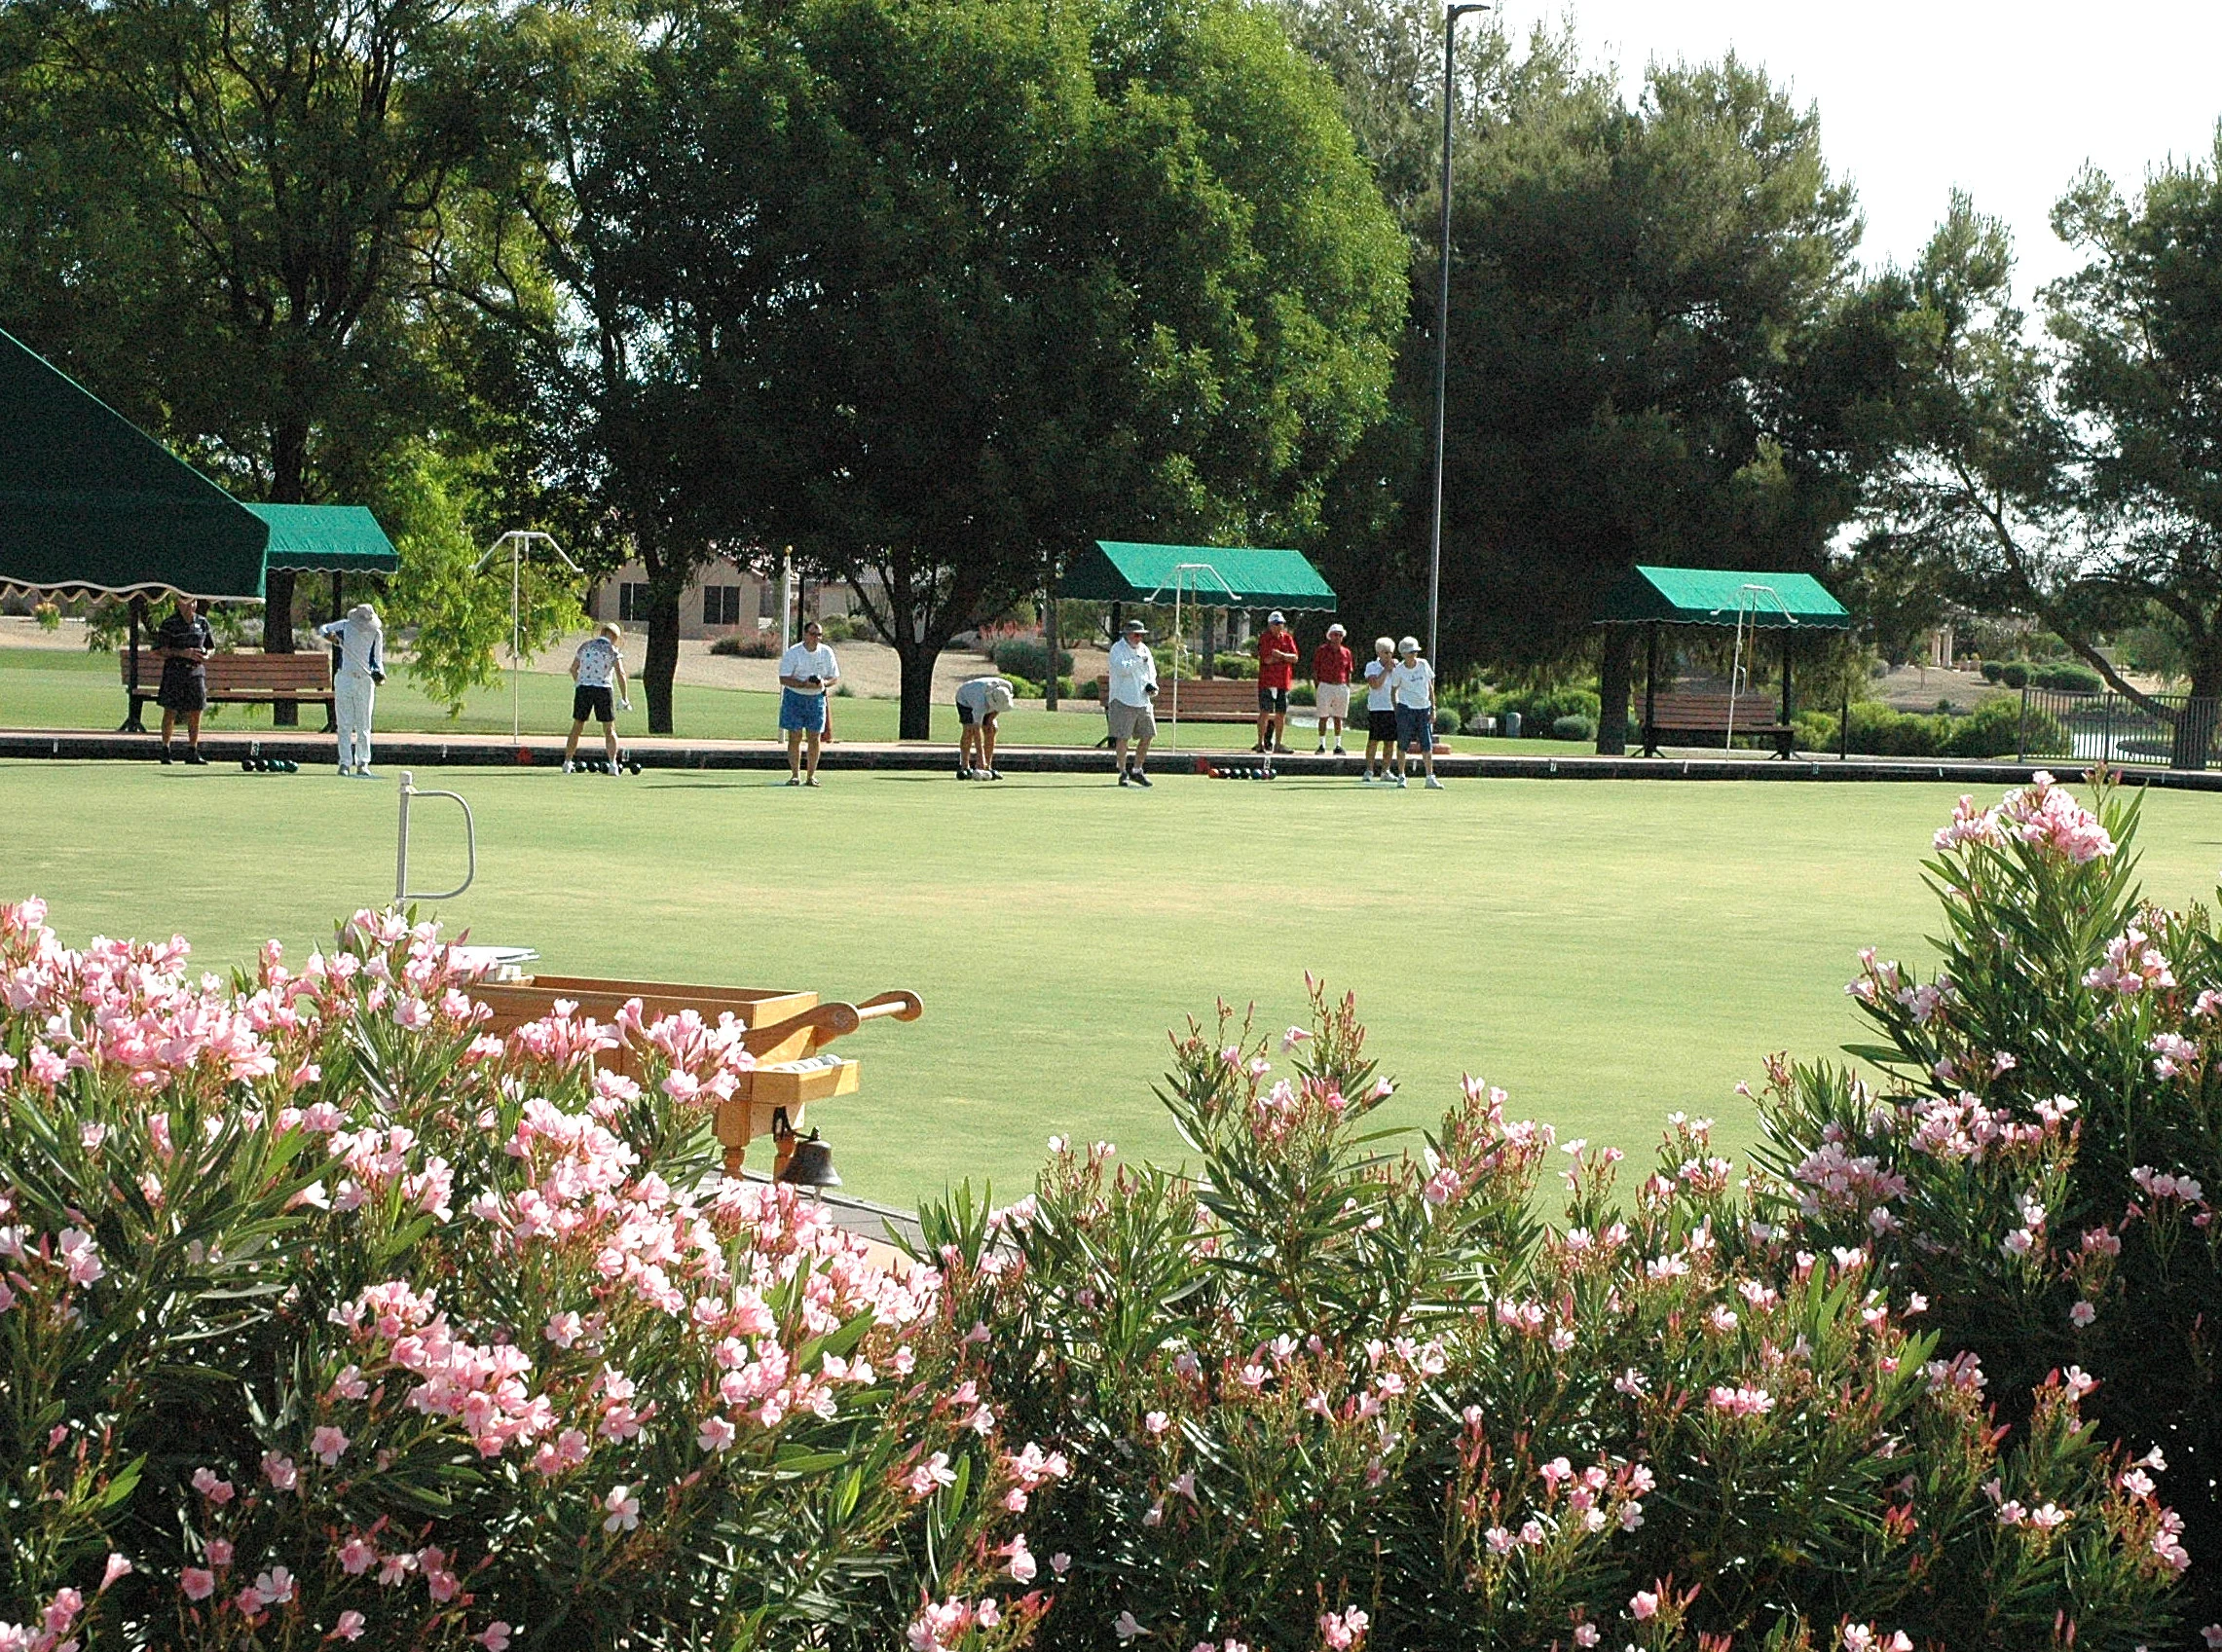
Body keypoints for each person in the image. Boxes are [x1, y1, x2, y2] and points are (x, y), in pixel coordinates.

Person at [315, 603, 387, 777]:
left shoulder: (376, 633)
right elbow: (322, 629)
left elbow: (377, 659)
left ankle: (363, 762)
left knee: (364, 723)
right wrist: (329, 636)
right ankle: (345, 763)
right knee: (344, 723)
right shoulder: (345, 626)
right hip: (345, 677)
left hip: (365, 680)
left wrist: (380, 675)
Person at [154, 595, 215, 765]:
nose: (191, 606)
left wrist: (206, 655)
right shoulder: (169, 624)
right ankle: (165, 749)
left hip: (196, 672)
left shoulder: (202, 623)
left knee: (196, 711)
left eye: (193, 602)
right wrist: (182, 653)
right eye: (186, 602)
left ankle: (192, 750)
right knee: (171, 710)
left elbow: (211, 648)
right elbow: (159, 650)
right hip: (175, 672)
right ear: (178, 603)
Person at [563, 622, 632, 774]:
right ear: (614, 637)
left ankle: (567, 762)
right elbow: (621, 674)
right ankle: (613, 764)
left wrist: (579, 682)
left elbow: (574, 669)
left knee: (577, 726)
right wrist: (624, 697)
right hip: (603, 689)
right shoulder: (612, 650)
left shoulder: (585, 646)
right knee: (609, 728)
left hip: (584, 688)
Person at [777, 619, 839, 786]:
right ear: (805, 635)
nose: (816, 638)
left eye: (819, 635)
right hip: (795, 697)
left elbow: (834, 677)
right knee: (795, 736)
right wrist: (804, 684)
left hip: (817, 699)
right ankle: (795, 775)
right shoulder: (794, 652)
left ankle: (811, 776)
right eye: (813, 634)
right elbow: (783, 678)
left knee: (814, 737)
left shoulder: (826, 652)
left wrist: (822, 684)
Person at [1105, 617, 1158, 788]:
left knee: (1148, 735)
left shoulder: (1145, 650)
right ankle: (1122, 772)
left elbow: (1151, 673)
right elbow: (1123, 668)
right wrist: (1138, 660)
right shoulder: (1117, 649)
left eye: (1141, 635)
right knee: (1123, 737)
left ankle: (1137, 770)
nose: (1139, 638)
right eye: (1136, 635)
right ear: (1128, 634)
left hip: (1143, 700)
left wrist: (1153, 687)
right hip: (1122, 699)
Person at [1390, 634, 1444, 789]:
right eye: (1411, 652)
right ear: (1404, 654)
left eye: (1415, 651)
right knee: (1403, 744)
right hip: (1406, 710)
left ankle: (1429, 777)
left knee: (1427, 744)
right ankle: (1401, 776)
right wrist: (1397, 710)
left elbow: (1430, 687)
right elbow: (1393, 691)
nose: (1414, 654)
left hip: (1423, 710)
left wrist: (1433, 708)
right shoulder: (1399, 670)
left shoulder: (1423, 665)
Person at [1253, 610, 1300, 753]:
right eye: (1276, 624)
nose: (1279, 626)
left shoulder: (1287, 638)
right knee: (1265, 712)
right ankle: (1260, 743)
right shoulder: (1265, 638)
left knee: (1281, 713)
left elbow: (1295, 658)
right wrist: (1284, 659)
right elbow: (1266, 659)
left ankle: (1278, 744)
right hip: (1267, 682)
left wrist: (1281, 656)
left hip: (1283, 682)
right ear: (1270, 625)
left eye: (1280, 623)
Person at [954, 675, 1017, 779]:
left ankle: (987, 766)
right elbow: (976, 731)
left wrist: (990, 720)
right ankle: (965, 766)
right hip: (965, 700)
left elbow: (999, 707)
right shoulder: (980, 703)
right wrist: (980, 757)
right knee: (969, 730)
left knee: (991, 729)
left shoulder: (1007, 688)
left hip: (986, 699)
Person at [1312, 622, 1353, 755]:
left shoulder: (1346, 652)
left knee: (1338, 717)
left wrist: (1347, 686)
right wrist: (1318, 686)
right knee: (1323, 716)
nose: (1337, 637)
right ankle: (1321, 745)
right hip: (1325, 684)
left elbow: (1348, 671)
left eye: (1340, 635)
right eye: (1335, 635)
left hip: (1340, 686)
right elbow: (1315, 670)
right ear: (1330, 636)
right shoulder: (1322, 650)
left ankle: (1338, 745)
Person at [1361, 636, 1398, 783]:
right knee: (1374, 740)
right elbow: (1375, 684)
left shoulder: (1397, 667)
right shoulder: (1372, 666)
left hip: (1392, 708)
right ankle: (1369, 770)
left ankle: (1386, 771)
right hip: (1377, 708)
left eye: (1390, 652)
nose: (1389, 655)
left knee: (1390, 741)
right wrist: (1385, 671)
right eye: (1385, 652)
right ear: (1379, 653)